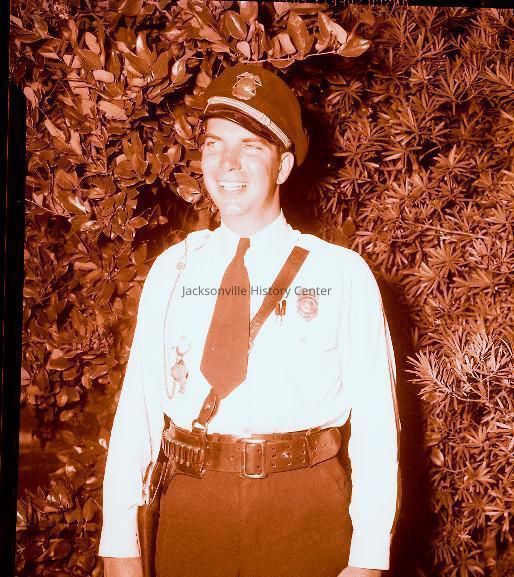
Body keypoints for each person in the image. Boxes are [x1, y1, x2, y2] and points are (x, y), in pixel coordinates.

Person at [100, 64, 399, 577]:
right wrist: (120, 542)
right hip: (193, 506)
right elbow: (138, 413)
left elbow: (377, 423)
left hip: (304, 505)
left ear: (283, 166)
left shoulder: (340, 274)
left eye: (251, 147)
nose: (228, 163)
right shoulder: (174, 269)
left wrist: (369, 555)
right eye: (215, 144)